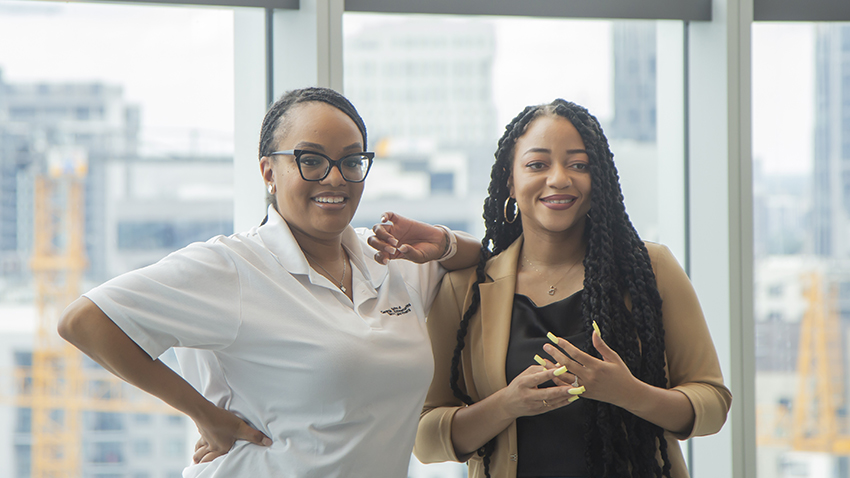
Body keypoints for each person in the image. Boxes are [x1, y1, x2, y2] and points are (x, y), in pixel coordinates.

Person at [58, 87, 481, 478]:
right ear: (268, 172)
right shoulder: (234, 267)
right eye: (310, 160)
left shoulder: (389, 260)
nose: (334, 178)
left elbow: (491, 262)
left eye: (351, 161)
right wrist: (205, 415)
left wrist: (443, 241)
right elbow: (84, 321)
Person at [414, 99, 732, 478]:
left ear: (598, 179)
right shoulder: (464, 289)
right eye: (537, 164)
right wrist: (506, 405)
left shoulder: (650, 269)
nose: (559, 178)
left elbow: (712, 404)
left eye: (579, 164)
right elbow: (424, 438)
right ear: (510, 182)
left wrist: (629, 393)